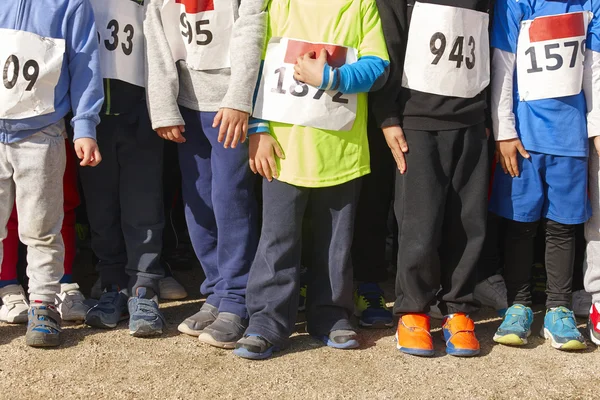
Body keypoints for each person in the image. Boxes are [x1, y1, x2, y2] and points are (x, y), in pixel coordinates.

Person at [233, 0, 390, 360]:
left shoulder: (361, 5)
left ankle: (332, 314)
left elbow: (378, 66)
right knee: (277, 239)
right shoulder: (279, 5)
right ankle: (268, 320)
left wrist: (332, 78)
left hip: (341, 151)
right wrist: (257, 128)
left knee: (335, 243)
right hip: (283, 152)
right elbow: (256, 67)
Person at [144, 0, 266, 348]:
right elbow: (157, 38)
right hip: (188, 105)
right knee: (198, 200)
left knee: (231, 199)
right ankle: (215, 290)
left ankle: (237, 298)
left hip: (229, 106)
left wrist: (240, 98)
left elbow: (251, 29)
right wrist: (164, 106)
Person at [374, 0, 491, 357]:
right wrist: (387, 115)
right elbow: (389, 41)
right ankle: (413, 310)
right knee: (418, 221)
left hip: (470, 118)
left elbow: (484, 41)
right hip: (417, 120)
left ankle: (458, 309)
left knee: (468, 222)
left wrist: (485, 114)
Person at [489, 0, 599, 351]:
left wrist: (595, 128)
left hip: (570, 138)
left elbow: (593, 69)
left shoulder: (590, 5)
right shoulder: (515, 3)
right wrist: (504, 130)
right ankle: (518, 305)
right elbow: (503, 65)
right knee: (520, 224)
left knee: (562, 226)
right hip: (524, 138)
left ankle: (559, 309)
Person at [0, 0, 103, 347]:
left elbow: (85, 61)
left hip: (41, 132)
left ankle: (44, 305)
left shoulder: (71, 4)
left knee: (42, 226)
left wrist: (85, 124)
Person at [81, 0, 170, 337]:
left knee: (144, 206)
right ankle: (112, 285)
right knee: (101, 209)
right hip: (92, 124)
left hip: (141, 118)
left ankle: (144, 287)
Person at [0, 139, 89, 324]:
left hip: (49, 125)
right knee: (6, 208)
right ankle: (7, 286)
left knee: (59, 202)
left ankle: (63, 283)